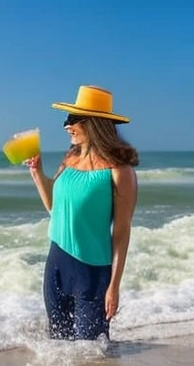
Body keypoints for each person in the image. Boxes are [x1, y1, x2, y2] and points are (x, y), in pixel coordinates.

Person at [27, 85, 139, 341]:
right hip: (56, 265)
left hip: (92, 272)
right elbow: (54, 208)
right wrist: (37, 172)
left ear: (95, 123)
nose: (67, 126)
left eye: (73, 119)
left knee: (93, 355)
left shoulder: (119, 171)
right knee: (59, 345)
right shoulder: (69, 160)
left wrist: (114, 286)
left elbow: (121, 231)